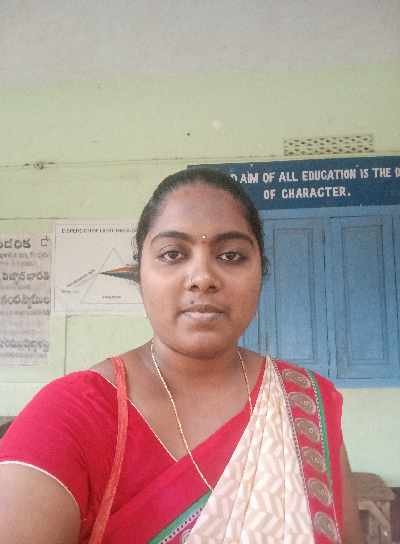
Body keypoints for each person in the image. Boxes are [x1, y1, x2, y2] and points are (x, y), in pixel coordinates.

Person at [0, 168, 364, 543]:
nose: (202, 277)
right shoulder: (71, 414)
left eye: (231, 255)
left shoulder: (303, 403)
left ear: (261, 271)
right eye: (172, 254)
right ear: (139, 274)